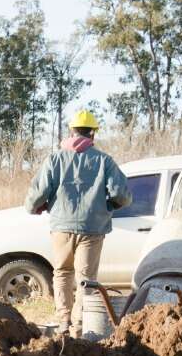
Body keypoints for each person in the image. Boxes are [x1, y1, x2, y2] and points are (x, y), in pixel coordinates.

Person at [23, 110, 132, 335]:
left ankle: (63, 321)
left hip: (61, 227)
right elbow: (121, 194)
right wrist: (109, 206)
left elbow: (39, 191)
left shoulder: (55, 159)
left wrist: (33, 207)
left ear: (71, 131)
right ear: (92, 134)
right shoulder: (104, 161)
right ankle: (80, 326)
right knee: (86, 280)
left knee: (62, 272)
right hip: (92, 228)